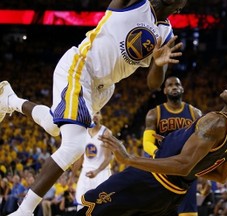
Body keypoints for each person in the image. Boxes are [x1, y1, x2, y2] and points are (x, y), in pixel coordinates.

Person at [0, 0, 187, 215]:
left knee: (53, 125)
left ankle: (10, 100)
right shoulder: (134, 3)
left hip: (104, 87)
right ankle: (24, 211)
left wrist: (159, 63)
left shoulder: (166, 33)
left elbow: (153, 84)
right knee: (75, 144)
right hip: (81, 68)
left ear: (180, 6)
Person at [75, 81, 227, 216]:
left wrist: (129, 159)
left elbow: (184, 164)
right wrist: (172, 143)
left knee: (90, 210)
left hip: (151, 180)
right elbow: (221, 176)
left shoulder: (216, 120)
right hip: (173, 194)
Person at [142, 76, 202, 215]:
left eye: (177, 84)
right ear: (164, 90)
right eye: (169, 85)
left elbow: (202, 143)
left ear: (182, 89)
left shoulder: (195, 113)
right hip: (163, 166)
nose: (174, 87)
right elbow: (147, 143)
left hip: (187, 167)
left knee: (188, 211)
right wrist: (160, 154)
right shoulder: (154, 113)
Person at [72, 111, 113, 210]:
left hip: (101, 173)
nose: (95, 115)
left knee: (102, 206)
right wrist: (72, 175)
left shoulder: (106, 133)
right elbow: (80, 157)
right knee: (81, 205)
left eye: (98, 113)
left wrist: (97, 171)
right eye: (93, 113)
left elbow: (108, 158)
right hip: (85, 173)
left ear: (101, 116)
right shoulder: (83, 132)